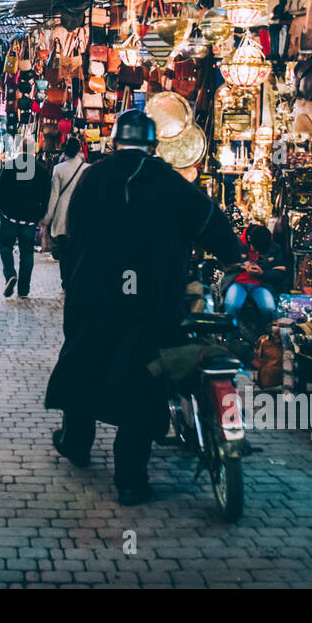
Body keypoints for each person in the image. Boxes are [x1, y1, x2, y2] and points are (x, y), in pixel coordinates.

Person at [44, 110, 247, 505]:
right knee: (142, 377)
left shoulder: (93, 177)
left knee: (85, 360)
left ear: (116, 142)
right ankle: (131, 480)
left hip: (94, 295)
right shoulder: (171, 183)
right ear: (153, 145)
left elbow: (72, 231)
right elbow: (212, 224)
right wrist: (233, 256)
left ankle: (76, 442)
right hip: (151, 301)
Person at [0, 138, 52, 298]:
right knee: (27, 252)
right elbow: (47, 196)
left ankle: (10, 274)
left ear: (20, 148)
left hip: (10, 217)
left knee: (5, 246)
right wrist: (40, 214)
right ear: (34, 150)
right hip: (30, 219)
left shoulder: (10, 166)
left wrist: (3, 209)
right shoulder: (42, 169)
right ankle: (24, 290)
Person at [42, 136, 87, 289]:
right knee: (77, 250)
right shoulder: (87, 169)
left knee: (64, 251)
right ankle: (75, 279)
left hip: (62, 214)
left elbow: (54, 196)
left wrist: (47, 218)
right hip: (81, 214)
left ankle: (65, 280)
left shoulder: (58, 169)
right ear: (80, 149)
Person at [223, 223, 286, 328]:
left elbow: (280, 273)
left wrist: (263, 273)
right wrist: (242, 265)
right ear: (249, 238)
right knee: (231, 305)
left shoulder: (274, 248)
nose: (256, 252)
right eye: (255, 248)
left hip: (261, 284)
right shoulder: (237, 244)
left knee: (268, 308)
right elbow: (226, 265)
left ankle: (267, 339)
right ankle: (229, 339)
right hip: (238, 282)